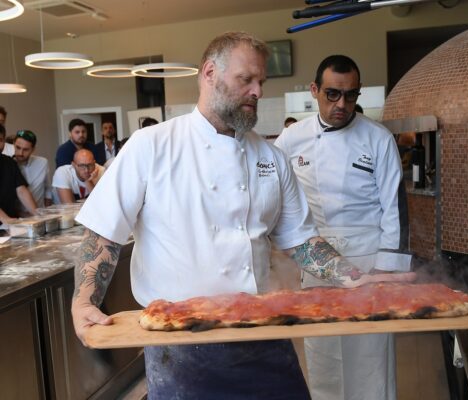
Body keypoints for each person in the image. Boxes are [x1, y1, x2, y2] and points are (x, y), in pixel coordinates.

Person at [71, 32, 415, 400]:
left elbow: (302, 240)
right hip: (180, 340)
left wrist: (351, 277)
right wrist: (83, 300)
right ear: (209, 74)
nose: (257, 91)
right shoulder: (152, 146)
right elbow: (103, 233)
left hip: (262, 332)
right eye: (246, 80)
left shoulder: (269, 157)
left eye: (261, 82)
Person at [275, 54, 412, 400]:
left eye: (351, 96)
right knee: (324, 354)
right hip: (317, 258)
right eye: (333, 94)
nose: (342, 104)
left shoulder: (378, 138)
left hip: (369, 256)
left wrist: (387, 268)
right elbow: (272, 191)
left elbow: (395, 208)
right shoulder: (292, 139)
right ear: (314, 91)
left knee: (369, 354)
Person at [0, 129, 37, 224]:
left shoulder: (10, 163)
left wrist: (38, 215)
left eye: (0, 140)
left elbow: (21, 191)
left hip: (9, 225)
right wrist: (5, 219)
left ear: (4, 141)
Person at [13, 130, 53, 208]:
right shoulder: (7, 165)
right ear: (13, 144)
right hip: (16, 217)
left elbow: (48, 189)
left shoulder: (43, 163)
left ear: (33, 149)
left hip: (39, 214)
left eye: (26, 149)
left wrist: (46, 212)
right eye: (18, 148)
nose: (20, 153)